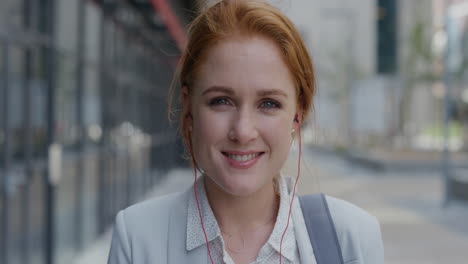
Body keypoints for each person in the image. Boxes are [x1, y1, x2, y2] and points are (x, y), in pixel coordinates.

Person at [107, 1, 384, 263]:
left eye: (268, 104)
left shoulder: (352, 238)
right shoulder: (137, 238)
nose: (243, 131)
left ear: (297, 116)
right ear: (189, 109)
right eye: (221, 101)